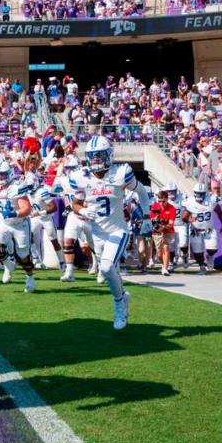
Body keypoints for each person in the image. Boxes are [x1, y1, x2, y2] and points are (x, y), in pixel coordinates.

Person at [71, 135, 152, 329]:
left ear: (109, 155)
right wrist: (82, 210)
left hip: (117, 230)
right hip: (97, 232)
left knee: (106, 267)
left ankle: (119, 305)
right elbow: (75, 204)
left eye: (100, 155)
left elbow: (141, 191)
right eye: (93, 156)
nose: (96, 160)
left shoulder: (120, 173)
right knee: (108, 271)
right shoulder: (81, 177)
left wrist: (147, 217)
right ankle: (123, 297)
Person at [0, 160, 36, 292]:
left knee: (24, 256)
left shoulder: (17, 186)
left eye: (3, 174)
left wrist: (14, 212)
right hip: (4, 222)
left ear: (9, 173)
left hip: (20, 224)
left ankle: (30, 277)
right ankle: (8, 265)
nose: (0, 177)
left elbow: (27, 209)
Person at [181, 183, 222, 274]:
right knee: (198, 252)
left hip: (209, 229)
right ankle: (202, 267)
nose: (198, 195)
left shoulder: (211, 200)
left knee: (213, 248)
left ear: (205, 193)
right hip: (196, 230)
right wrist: (190, 219)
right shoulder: (190, 202)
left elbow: (220, 213)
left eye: (200, 193)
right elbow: (184, 217)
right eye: (197, 193)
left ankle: (210, 256)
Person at [150, 187, 176, 276]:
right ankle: (164, 264)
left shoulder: (172, 208)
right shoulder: (154, 206)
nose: (161, 203)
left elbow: (171, 224)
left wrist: (163, 226)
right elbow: (151, 220)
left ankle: (165, 268)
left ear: (167, 199)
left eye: (163, 201)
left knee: (165, 246)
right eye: (159, 201)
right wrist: (154, 219)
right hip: (156, 232)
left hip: (168, 231)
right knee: (159, 254)